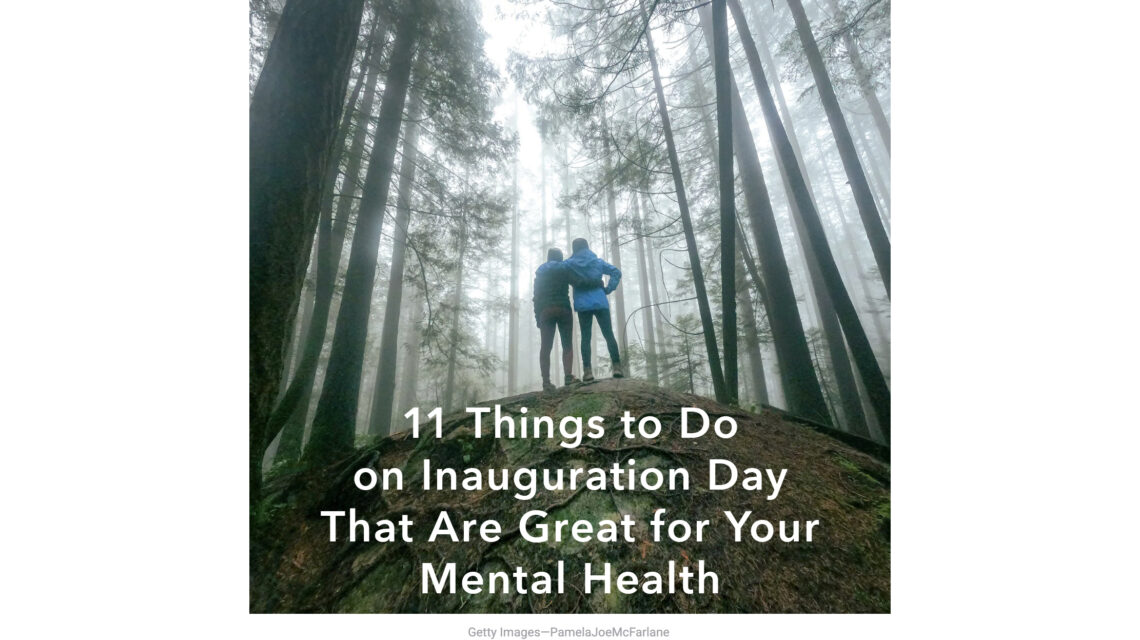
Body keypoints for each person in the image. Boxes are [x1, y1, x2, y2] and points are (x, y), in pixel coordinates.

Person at [532, 248, 602, 391]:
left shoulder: (540, 274)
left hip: (546, 311)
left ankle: (546, 382)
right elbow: (579, 282)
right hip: (563, 309)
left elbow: (536, 297)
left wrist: (537, 317)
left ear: (548, 258)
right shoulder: (565, 269)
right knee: (567, 345)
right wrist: (596, 282)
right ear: (560, 258)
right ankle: (568, 378)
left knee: (546, 347)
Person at [564, 237, 623, 381]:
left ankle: (587, 371)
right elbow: (616, 272)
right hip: (600, 301)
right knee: (608, 334)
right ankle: (617, 367)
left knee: (585, 337)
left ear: (574, 248)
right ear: (587, 247)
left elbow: (558, 270)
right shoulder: (597, 262)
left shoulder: (569, 264)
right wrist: (608, 289)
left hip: (583, 305)